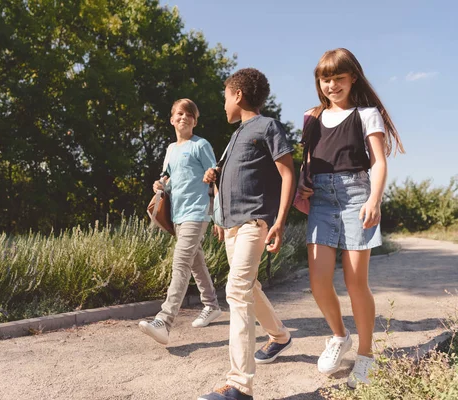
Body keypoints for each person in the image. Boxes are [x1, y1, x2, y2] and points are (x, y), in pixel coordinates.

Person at [297, 48, 404, 388]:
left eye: (338, 78)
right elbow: (308, 161)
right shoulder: (311, 116)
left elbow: (379, 162)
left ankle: (366, 354)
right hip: (322, 202)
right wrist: (303, 182)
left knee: (356, 282)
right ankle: (339, 336)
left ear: (353, 77)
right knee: (318, 281)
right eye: (325, 79)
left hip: (357, 197)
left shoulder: (366, 114)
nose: (331, 85)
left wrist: (375, 198)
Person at [199, 68, 296, 400]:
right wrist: (218, 206)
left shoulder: (267, 127)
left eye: (225, 96)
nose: (223, 104)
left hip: (255, 222)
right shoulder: (235, 136)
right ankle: (280, 336)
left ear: (237, 95)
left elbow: (287, 173)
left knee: (236, 290)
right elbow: (236, 179)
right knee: (248, 288)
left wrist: (280, 221)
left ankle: (239, 385)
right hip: (231, 226)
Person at [139, 98, 222, 345]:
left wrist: (218, 214)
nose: (183, 117)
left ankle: (164, 321)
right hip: (178, 214)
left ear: (194, 121)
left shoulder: (200, 145)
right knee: (195, 262)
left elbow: (216, 176)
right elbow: (169, 179)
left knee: (181, 262)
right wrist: (160, 184)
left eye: (189, 114)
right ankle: (212, 305)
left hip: (197, 213)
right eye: (179, 114)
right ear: (172, 119)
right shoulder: (171, 149)